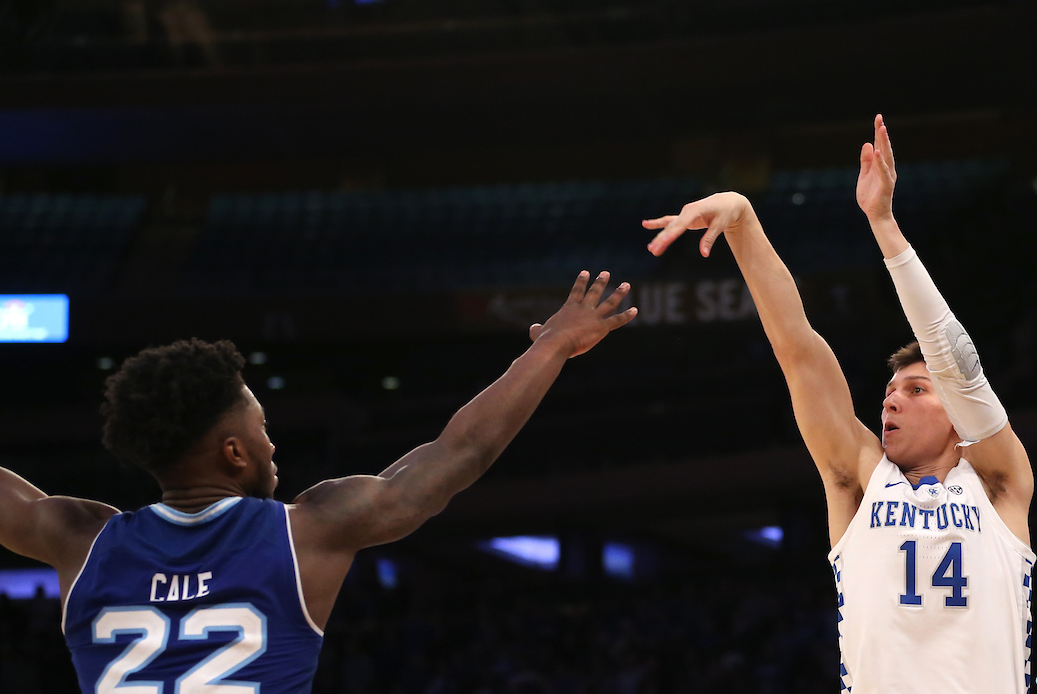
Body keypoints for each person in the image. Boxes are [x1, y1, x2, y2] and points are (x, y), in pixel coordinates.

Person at [0, 270, 636, 694]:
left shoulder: (80, 540)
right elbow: (459, 453)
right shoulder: (305, 531)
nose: (272, 444)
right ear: (232, 451)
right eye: (261, 428)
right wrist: (550, 347)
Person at [644, 115, 1035, 694]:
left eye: (916, 390)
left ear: (957, 413)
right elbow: (798, 350)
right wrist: (744, 224)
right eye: (888, 393)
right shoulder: (858, 478)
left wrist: (884, 225)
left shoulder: (1000, 483)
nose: (891, 403)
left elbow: (956, 363)